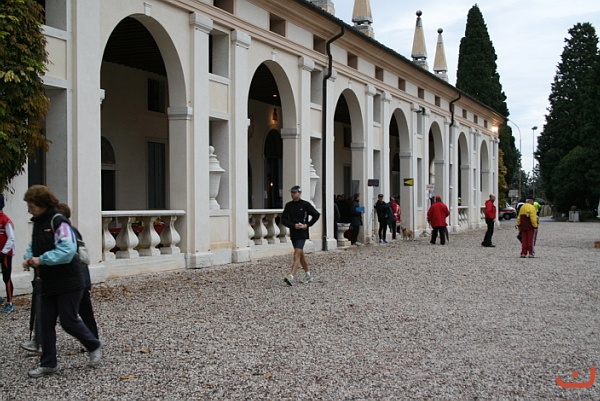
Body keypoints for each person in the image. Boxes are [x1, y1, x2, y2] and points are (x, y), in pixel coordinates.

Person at [22, 185, 103, 378]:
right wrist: (28, 258)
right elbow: (33, 246)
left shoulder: (58, 222)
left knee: (68, 321)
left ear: (42, 204)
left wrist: (41, 260)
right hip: (48, 281)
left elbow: (67, 251)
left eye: (32, 206)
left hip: (69, 281)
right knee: (45, 322)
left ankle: (93, 344)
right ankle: (48, 363)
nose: (29, 210)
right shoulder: (39, 223)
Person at [281, 186, 320, 286]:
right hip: (294, 232)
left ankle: (291, 276)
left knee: (297, 254)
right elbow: (283, 219)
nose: (292, 194)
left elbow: (316, 214)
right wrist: (293, 225)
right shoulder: (289, 205)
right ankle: (308, 274)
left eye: (294, 192)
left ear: (299, 193)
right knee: (300, 254)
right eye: (292, 192)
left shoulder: (305, 204)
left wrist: (308, 224)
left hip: (302, 233)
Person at [0, 194, 16, 313]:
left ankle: (10, 302)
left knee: (6, 277)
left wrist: (4, 251)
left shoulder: (5, 220)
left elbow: (11, 238)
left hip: (5, 254)